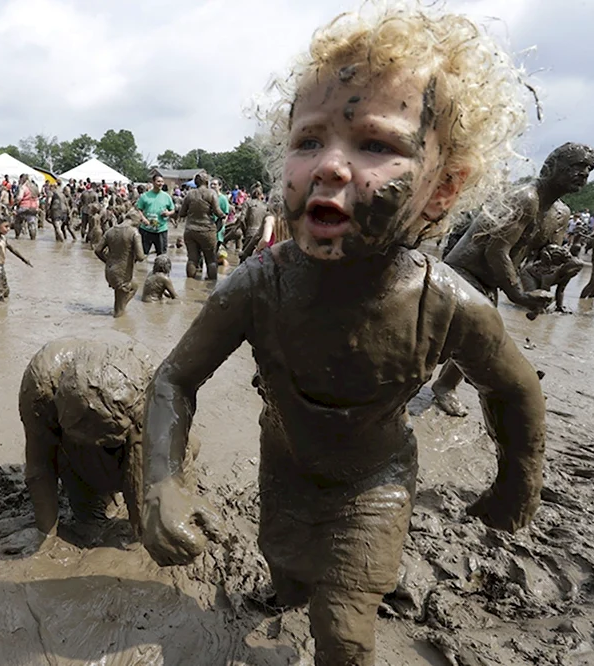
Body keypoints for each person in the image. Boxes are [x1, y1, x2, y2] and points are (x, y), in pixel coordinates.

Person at [137, 7, 545, 665]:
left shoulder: (447, 303)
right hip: (286, 461)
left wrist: (515, 479)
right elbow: (175, 379)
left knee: (345, 628)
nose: (329, 166)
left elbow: (515, 390)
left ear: (443, 188)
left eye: (375, 144)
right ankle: (287, 585)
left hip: (375, 476)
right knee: (288, 563)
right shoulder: (256, 285)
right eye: (308, 141)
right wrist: (163, 481)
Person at [431, 142, 594, 417]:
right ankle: (417, 385)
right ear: (551, 167)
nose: (583, 174)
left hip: (492, 281)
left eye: (589, 170)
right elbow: (496, 250)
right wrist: (518, 294)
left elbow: (535, 263)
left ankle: (445, 385)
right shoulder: (525, 198)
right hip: (464, 272)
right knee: (456, 338)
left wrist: (555, 263)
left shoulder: (561, 214)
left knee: (476, 335)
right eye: (577, 166)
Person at [21, 336, 154, 541]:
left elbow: (139, 465)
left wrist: (143, 534)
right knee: (85, 509)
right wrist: (45, 536)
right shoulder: (40, 385)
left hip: (134, 423)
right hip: (73, 444)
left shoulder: (148, 381)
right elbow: (39, 466)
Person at [94, 215, 145, 317]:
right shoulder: (134, 233)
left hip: (110, 270)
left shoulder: (110, 231)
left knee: (134, 285)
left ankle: (119, 308)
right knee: (119, 312)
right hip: (123, 273)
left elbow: (97, 250)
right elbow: (140, 257)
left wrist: (107, 261)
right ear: (136, 222)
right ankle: (117, 322)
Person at [179, 171, 224, 280]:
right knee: (211, 259)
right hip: (207, 231)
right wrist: (223, 215)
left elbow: (181, 213)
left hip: (190, 230)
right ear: (207, 181)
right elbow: (218, 212)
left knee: (192, 259)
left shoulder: (190, 194)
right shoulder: (211, 193)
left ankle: (189, 285)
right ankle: (212, 284)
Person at [135, 174, 175, 256]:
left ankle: (158, 269)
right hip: (146, 229)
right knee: (142, 254)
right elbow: (138, 209)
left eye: (162, 182)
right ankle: (141, 269)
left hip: (161, 229)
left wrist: (168, 213)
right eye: (158, 181)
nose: (161, 183)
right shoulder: (145, 196)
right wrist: (143, 219)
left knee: (162, 255)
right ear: (153, 182)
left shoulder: (166, 196)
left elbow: (173, 210)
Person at [14, 174, 39, 240]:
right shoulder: (34, 187)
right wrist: (37, 208)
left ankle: (17, 237)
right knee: (32, 224)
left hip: (24, 207)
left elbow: (20, 197)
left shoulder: (23, 187)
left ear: (22, 179)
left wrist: (15, 203)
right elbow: (37, 199)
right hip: (33, 208)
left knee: (18, 221)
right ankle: (33, 239)